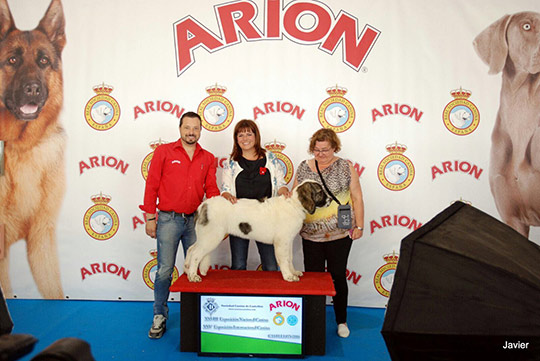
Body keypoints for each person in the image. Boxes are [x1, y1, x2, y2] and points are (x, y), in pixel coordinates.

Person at [140, 111, 220, 339]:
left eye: (195, 128)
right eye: (187, 128)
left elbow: (211, 190)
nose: (191, 132)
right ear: (180, 129)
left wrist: (218, 215)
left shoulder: (208, 157)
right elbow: (152, 186)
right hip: (167, 219)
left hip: (195, 221)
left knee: (196, 267)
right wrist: (150, 217)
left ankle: (197, 316)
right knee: (165, 270)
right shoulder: (163, 152)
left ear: (201, 130)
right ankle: (159, 315)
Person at [292, 128, 364, 338]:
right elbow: (294, 197)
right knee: (313, 279)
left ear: (335, 147)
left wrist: (359, 226)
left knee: (338, 276)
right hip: (311, 235)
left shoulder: (345, 167)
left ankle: (341, 320)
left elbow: (357, 197)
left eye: (325, 150)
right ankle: (313, 321)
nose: (321, 154)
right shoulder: (304, 167)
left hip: (339, 234)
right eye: (316, 150)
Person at [221, 119, 290, 271]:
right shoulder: (231, 162)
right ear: (236, 139)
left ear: (256, 136)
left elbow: (280, 184)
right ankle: (238, 294)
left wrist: (284, 191)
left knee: (271, 265)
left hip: (266, 217)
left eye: (248, 134)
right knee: (238, 265)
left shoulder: (270, 158)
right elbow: (225, 189)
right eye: (240, 135)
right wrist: (227, 196)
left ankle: (271, 294)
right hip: (239, 217)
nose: (245, 139)